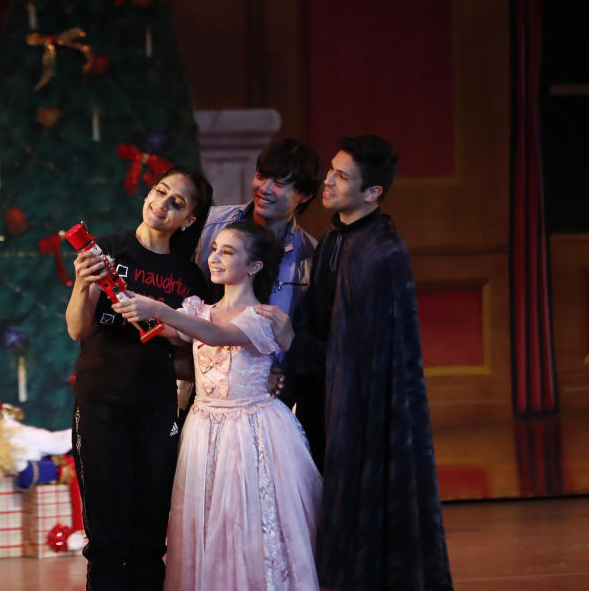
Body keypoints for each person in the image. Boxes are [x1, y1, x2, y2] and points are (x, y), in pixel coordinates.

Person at [113, 221, 322, 591]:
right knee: (207, 523)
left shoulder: (262, 318)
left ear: (254, 266)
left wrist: (158, 308)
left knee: (248, 523)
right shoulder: (198, 308)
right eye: (215, 249)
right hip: (203, 427)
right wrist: (123, 295)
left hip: (251, 430)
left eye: (228, 251)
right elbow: (172, 328)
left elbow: (216, 335)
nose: (216, 257)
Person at [288, 135, 453, 590]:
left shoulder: (382, 253)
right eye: (332, 170)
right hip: (327, 397)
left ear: (372, 192)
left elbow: (360, 352)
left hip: (362, 410)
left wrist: (291, 342)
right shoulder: (335, 241)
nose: (328, 180)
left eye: (342, 177)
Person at [65, 167, 212, 591]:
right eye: (159, 192)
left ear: (187, 220)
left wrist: (166, 323)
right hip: (100, 401)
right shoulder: (106, 249)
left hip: (157, 404)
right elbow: (77, 328)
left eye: (176, 204)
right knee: (107, 535)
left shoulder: (189, 276)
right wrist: (82, 282)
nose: (161, 204)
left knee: (149, 534)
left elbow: (195, 353)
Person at [193, 138, 327, 460]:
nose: (263, 187)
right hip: (205, 389)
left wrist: (281, 370)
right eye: (260, 175)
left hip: (265, 399)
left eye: (280, 183)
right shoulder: (212, 226)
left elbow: (297, 332)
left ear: (305, 195)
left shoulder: (310, 254)